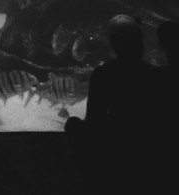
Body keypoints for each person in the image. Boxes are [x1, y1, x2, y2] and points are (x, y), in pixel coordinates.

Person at [66, 14, 167, 168]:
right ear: (140, 40)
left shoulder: (103, 73)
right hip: (150, 151)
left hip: (113, 146)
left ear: (113, 43)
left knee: (72, 123)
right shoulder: (157, 74)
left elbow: (94, 120)